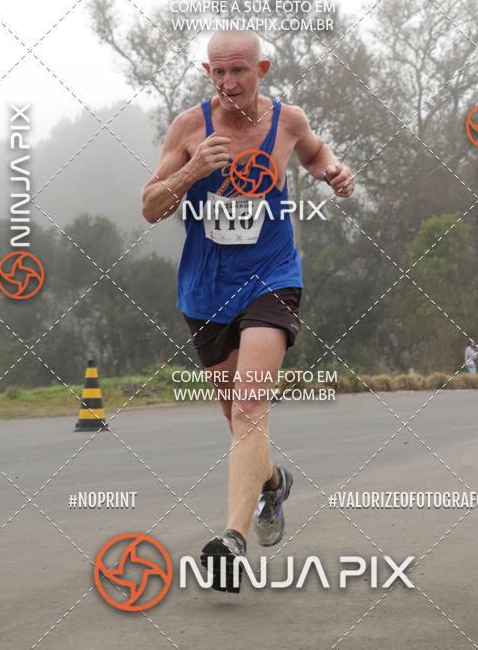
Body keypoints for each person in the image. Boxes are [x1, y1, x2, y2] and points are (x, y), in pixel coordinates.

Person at [141, 29, 354, 592]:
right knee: (237, 417)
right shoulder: (189, 128)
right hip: (206, 289)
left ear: (262, 69)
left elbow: (315, 153)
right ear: (207, 73)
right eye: (218, 72)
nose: (229, 83)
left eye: (239, 71)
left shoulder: (288, 121)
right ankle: (273, 482)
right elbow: (149, 207)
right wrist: (191, 171)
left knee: (250, 404)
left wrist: (333, 171)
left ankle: (231, 539)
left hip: (272, 277)